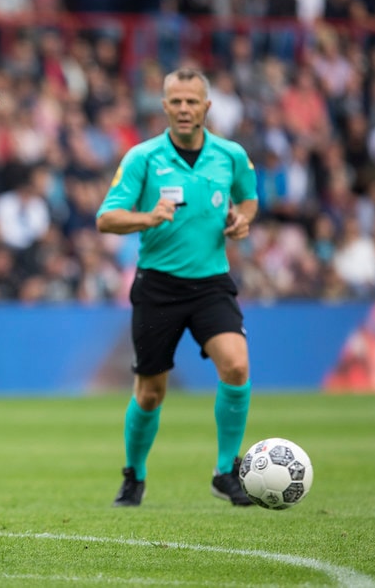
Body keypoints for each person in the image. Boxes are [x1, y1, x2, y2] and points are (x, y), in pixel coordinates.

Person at [96, 67, 258, 507]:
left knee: (237, 367)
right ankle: (135, 475)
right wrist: (147, 217)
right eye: (177, 101)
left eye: (193, 101)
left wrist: (242, 219)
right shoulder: (143, 158)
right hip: (158, 287)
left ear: (207, 107)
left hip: (210, 284)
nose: (185, 108)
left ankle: (226, 471)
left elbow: (248, 197)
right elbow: (106, 217)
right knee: (151, 391)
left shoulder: (231, 156)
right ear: (164, 106)